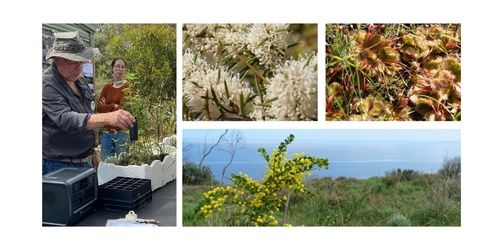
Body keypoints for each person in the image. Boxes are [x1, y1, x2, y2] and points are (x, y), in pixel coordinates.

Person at [42, 31, 135, 175]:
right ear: (57, 59)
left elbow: (89, 112)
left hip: (84, 162)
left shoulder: (80, 81)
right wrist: (108, 117)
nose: (79, 68)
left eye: (82, 62)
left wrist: (93, 150)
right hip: (58, 166)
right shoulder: (47, 84)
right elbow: (66, 119)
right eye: (73, 62)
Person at [97, 57, 131, 160]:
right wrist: (113, 106)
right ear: (112, 68)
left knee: (122, 163)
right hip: (107, 132)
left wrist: (106, 106)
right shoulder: (107, 87)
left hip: (122, 132)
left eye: (123, 67)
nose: (120, 69)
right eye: (117, 66)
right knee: (106, 163)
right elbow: (98, 108)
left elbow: (123, 110)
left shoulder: (128, 87)